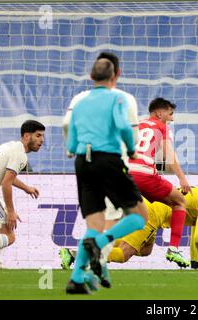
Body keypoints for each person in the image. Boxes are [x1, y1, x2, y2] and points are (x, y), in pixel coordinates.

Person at [65, 57, 148, 294]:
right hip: (108, 160)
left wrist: (72, 148)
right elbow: (123, 126)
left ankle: (77, 278)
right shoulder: (117, 98)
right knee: (140, 215)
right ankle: (101, 243)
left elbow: (72, 131)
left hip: (83, 162)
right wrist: (131, 148)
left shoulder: (80, 102)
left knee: (94, 223)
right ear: (115, 76)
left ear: (91, 77)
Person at [60, 183, 198, 271]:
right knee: (125, 254)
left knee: (146, 250)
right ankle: (77, 255)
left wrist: (196, 262)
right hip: (153, 212)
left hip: (152, 207)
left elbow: (193, 237)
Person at [128, 97, 192, 268]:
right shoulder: (161, 126)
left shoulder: (135, 124)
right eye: (170, 114)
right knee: (179, 202)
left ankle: (81, 253)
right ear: (158, 112)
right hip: (144, 174)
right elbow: (168, 155)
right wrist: (182, 178)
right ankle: (173, 249)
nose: (172, 118)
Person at [0, 120, 45, 269]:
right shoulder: (20, 155)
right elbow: (6, 183)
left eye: (43, 136)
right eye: (38, 136)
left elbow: (8, 176)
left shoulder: (9, 145)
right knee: (9, 237)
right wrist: (10, 210)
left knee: (5, 228)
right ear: (26, 136)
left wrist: (26, 188)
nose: (41, 140)